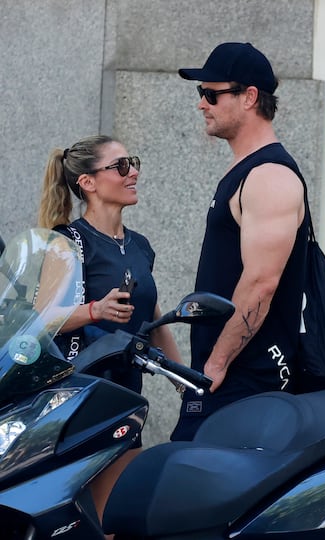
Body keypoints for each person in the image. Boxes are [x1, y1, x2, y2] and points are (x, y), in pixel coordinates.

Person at [37, 134, 182, 537]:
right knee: (88, 522)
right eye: (120, 166)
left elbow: (152, 317)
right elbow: (41, 319)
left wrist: (185, 379)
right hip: (80, 401)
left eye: (132, 163)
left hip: (127, 400)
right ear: (88, 182)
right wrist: (93, 311)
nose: (133, 172)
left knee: (115, 520)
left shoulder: (141, 246)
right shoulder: (66, 242)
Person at [171, 42, 310, 442]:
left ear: (249, 97)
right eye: (201, 94)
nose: (202, 104)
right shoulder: (247, 169)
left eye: (211, 94)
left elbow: (261, 283)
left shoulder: (269, 175)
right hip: (228, 381)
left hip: (245, 383)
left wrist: (215, 365)